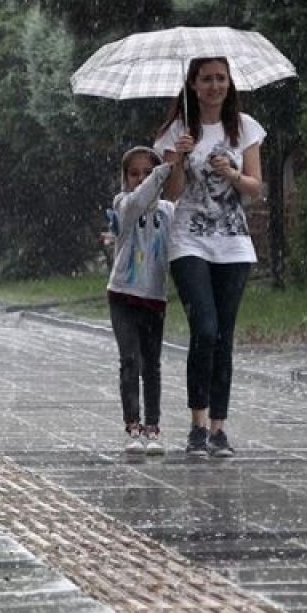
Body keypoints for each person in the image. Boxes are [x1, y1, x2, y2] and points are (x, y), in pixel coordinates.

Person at [154, 56, 266, 458]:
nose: (215, 86)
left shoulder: (245, 128)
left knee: (224, 335)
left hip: (234, 243)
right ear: (194, 85)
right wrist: (180, 159)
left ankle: (219, 428)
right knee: (204, 328)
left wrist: (233, 174)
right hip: (189, 241)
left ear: (229, 83)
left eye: (221, 78)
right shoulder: (176, 132)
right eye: (207, 79)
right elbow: (171, 194)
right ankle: (196, 424)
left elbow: (255, 187)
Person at [106, 146, 178, 456]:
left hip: (154, 297)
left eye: (147, 173)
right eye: (134, 173)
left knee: (152, 365)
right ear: (124, 179)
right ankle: (132, 424)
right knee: (129, 360)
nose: (141, 179)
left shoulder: (168, 211)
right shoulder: (123, 204)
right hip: (123, 294)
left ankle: (153, 426)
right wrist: (164, 170)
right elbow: (137, 201)